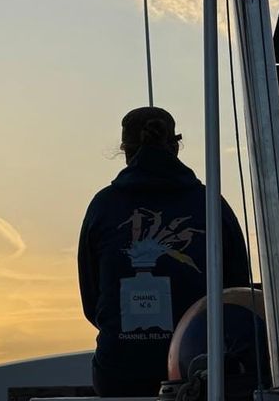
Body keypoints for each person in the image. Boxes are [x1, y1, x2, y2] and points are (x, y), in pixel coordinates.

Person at [78, 106, 251, 397]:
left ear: (125, 151)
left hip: (120, 374)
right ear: (175, 147)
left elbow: (92, 301)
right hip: (199, 374)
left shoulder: (102, 206)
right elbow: (236, 293)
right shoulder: (210, 204)